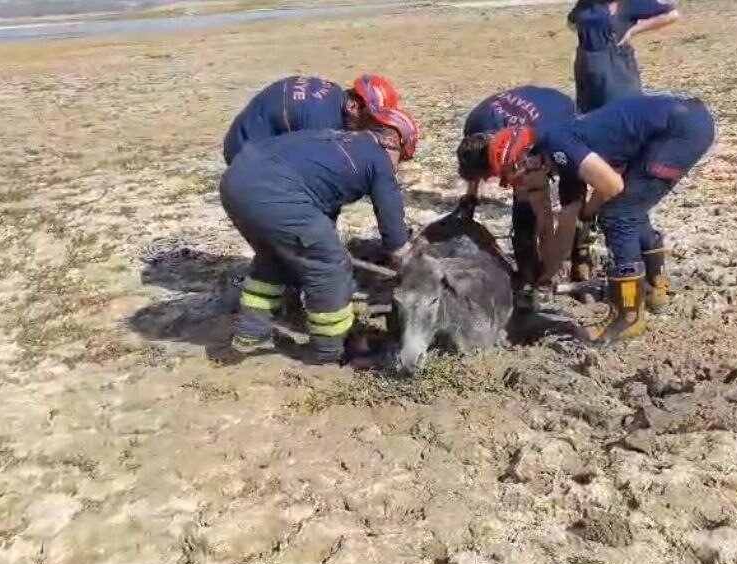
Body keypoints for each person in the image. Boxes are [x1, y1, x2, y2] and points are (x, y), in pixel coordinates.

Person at [465, 92, 715, 343]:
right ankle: (654, 286)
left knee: (620, 214)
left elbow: (612, 186)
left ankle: (627, 315)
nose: (519, 188)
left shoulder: (561, 147)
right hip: (683, 121)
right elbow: (609, 176)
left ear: (527, 160)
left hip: (680, 130)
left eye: (517, 180)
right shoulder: (554, 144)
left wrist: (590, 212)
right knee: (631, 205)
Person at [219, 107, 419, 364]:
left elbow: (320, 205)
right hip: (274, 192)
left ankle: (250, 332)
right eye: (401, 158)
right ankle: (330, 350)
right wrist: (408, 263)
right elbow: (395, 238)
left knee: (275, 256)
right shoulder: (378, 161)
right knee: (330, 265)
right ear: (393, 141)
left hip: (237, 180)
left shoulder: (336, 141)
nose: (397, 167)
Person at [454, 85, 592, 311]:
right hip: (532, 104)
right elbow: (473, 162)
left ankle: (578, 260)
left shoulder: (530, 145)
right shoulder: (476, 124)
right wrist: (470, 196)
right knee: (522, 192)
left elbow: (543, 211)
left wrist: (552, 263)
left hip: (559, 115)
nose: (495, 183)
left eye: (493, 175)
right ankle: (528, 268)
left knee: (569, 195)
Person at [222, 74, 401, 165]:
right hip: (244, 153)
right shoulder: (324, 123)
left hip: (244, 135)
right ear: (353, 107)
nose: (368, 130)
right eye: (369, 122)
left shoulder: (334, 94)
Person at [567, 0, 680, 113]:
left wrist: (633, 30)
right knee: (590, 112)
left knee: (622, 108)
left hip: (615, 62)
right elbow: (572, 22)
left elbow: (671, 14)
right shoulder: (585, 3)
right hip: (587, 61)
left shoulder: (630, 3)